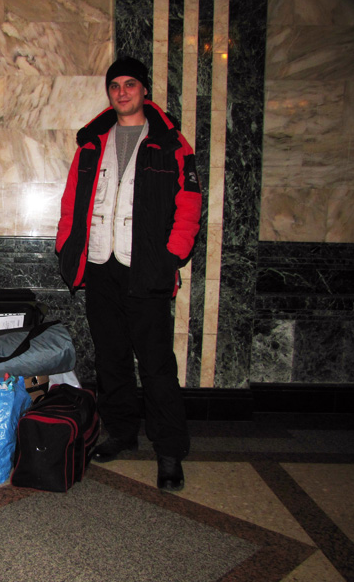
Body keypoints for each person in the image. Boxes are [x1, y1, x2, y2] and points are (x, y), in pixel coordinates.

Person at [56, 56, 202, 491]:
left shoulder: (171, 144)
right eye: (115, 85)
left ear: (144, 90)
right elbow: (72, 201)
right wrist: (67, 245)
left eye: (130, 84)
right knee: (111, 356)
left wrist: (171, 255)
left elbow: (190, 204)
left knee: (156, 364)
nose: (122, 92)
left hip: (147, 269)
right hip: (101, 266)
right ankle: (121, 432)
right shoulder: (91, 144)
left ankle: (169, 449)